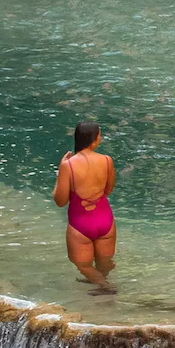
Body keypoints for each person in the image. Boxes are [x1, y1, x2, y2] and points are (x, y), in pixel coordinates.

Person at [53, 120, 117, 294]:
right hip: (105, 219)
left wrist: (60, 170)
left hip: (80, 222)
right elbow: (108, 190)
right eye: (100, 135)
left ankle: (104, 286)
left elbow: (60, 201)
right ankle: (100, 283)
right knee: (104, 262)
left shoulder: (68, 165)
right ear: (94, 138)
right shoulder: (107, 160)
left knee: (83, 265)